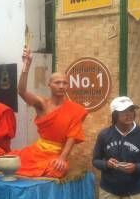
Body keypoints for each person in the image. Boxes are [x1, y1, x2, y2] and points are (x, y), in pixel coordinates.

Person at [9, 47, 87, 178]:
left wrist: (62, 158)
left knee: (57, 169)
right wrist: (26, 66)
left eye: (64, 83)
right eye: (57, 82)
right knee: (8, 159)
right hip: (37, 151)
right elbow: (22, 91)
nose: (61, 86)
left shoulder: (75, 109)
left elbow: (71, 138)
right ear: (49, 84)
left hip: (55, 155)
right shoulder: (42, 104)